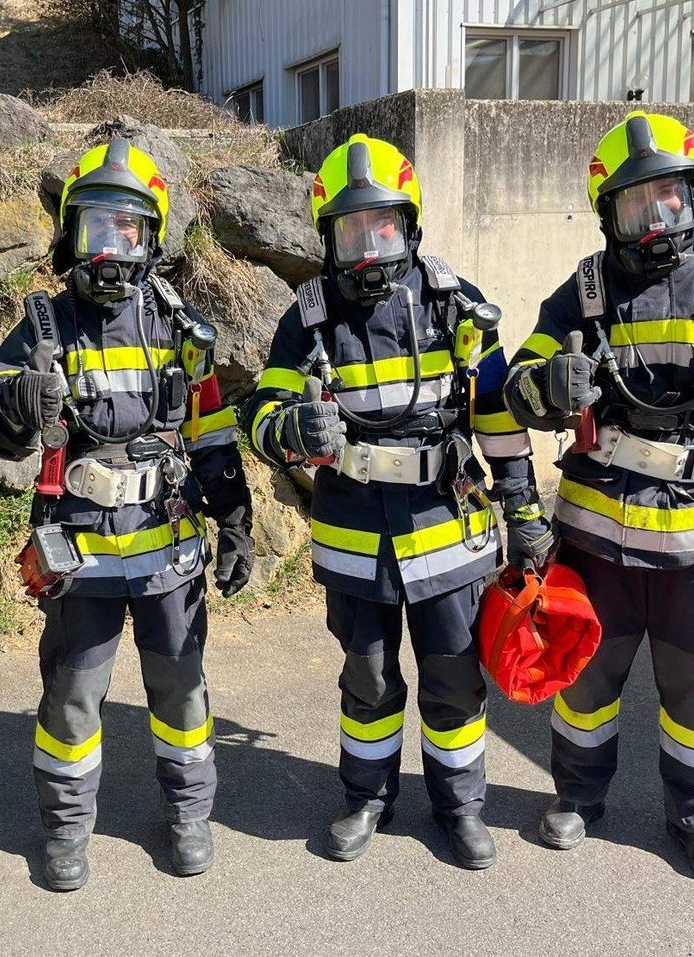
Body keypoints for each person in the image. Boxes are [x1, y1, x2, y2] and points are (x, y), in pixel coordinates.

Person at [503, 111, 694, 883]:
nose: (657, 218)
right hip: (596, 546)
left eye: (670, 197)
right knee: (586, 686)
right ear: (610, 214)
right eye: (638, 204)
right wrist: (546, 382)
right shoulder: (583, 292)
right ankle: (577, 797)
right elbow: (516, 388)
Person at [244, 134, 550, 868]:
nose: (369, 244)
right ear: (328, 236)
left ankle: (460, 808)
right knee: (369, 677)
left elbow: (500, 421)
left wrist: (527, 513)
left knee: (453, 679)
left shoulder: (456, 306)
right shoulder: (308, 318)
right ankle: (366, 799)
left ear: (409, 225)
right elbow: (258, 416)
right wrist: (291, 427)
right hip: (355, 538)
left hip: (448, 533)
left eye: (383, 224)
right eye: (352, 229)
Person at [0, 137, 254, 891]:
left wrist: (235, 520)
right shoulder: (42, 327)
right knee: (72, 698)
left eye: (127, 227)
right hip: (81, 553)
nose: (111, 243)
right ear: (71, 232)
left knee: (182, 693)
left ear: (151, 236)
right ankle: (65, 832)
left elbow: (213, 432)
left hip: (167, 553)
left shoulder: (180, 328)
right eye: (96, 224)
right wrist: (16, 402)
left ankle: (189, 815)